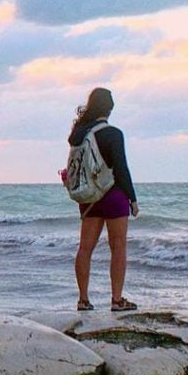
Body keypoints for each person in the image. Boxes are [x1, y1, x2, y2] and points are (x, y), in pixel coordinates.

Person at [68, 87, 139, 312]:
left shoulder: (78, 134)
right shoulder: (113, 134)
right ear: (109, 109)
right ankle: (117, 300)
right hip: (113, 194)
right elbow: (121, 168)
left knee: (85, 248)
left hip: (89, 196)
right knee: (118, 246)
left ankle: (83, 299)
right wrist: (132, 198)